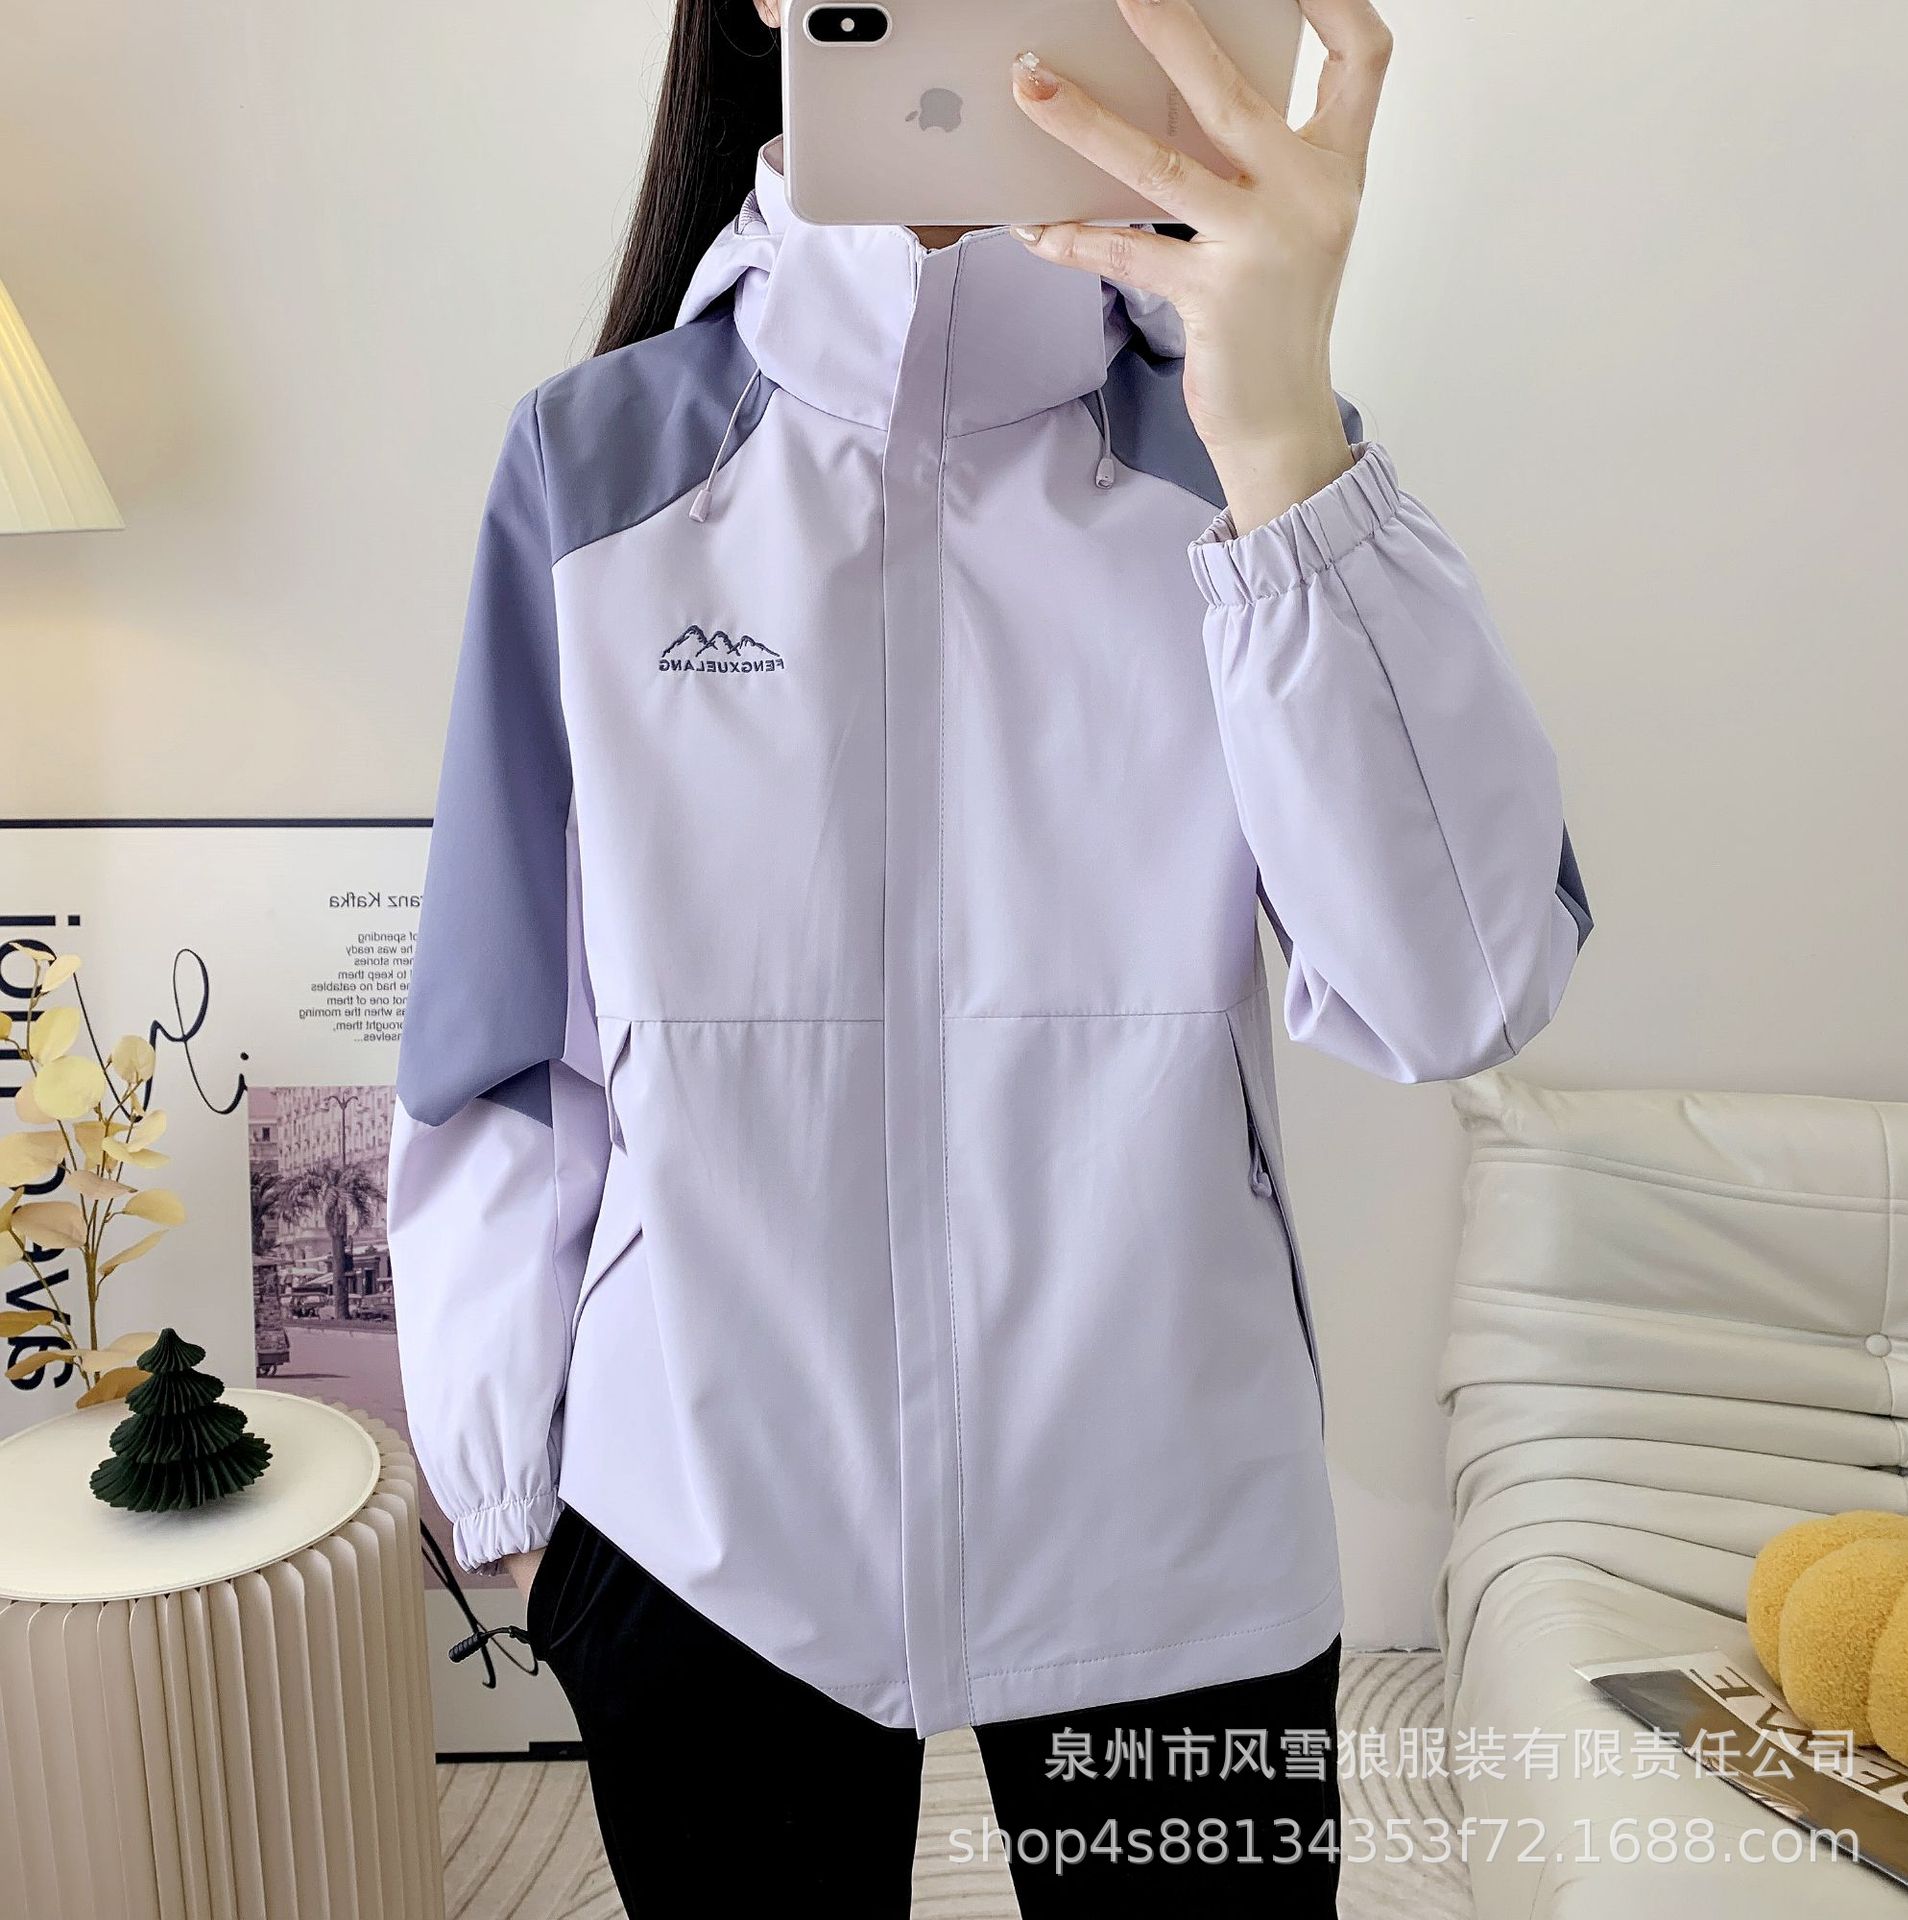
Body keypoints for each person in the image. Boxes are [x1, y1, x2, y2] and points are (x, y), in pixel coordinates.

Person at [387, 0, 1591, 1910]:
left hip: (1180, 1544)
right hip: (699, 1539)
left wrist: (1284, 424)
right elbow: (500, 1028)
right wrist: (520, 1512)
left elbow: (1460, 991)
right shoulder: (600, 467)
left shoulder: (1242, 460)